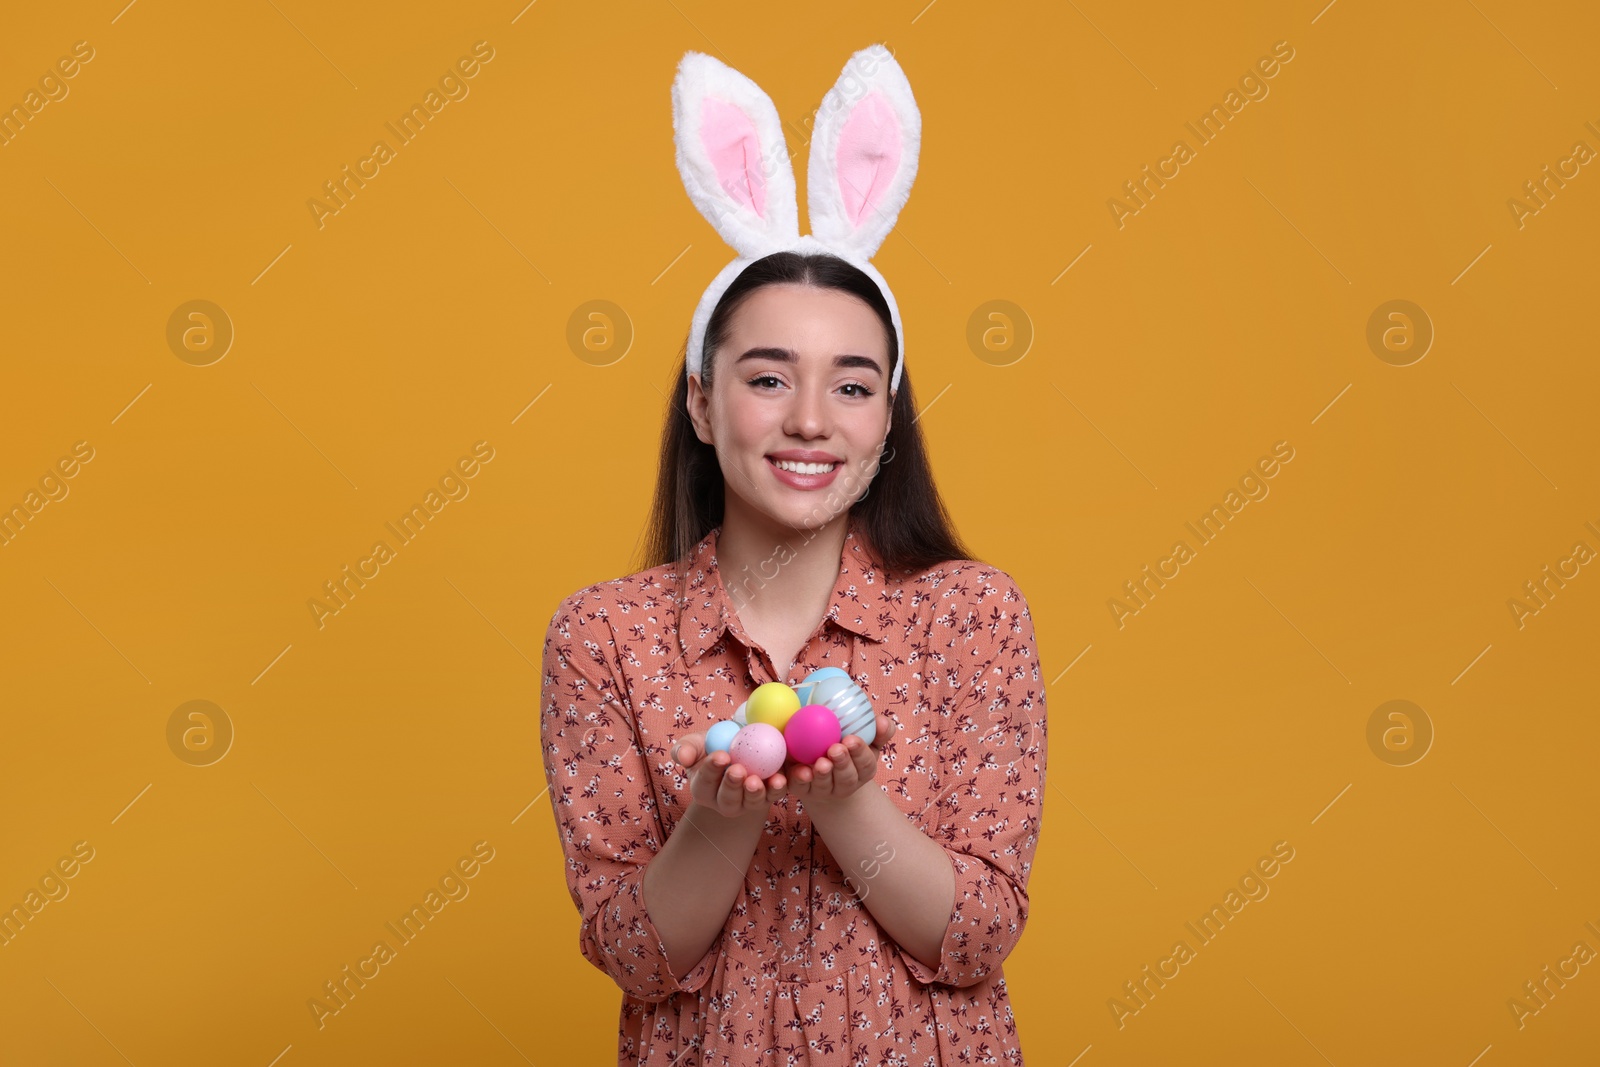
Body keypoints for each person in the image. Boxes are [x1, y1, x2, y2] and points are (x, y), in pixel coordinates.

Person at [539, 46, 1046, 1065]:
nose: (810, 420)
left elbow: (977, 934)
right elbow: (636, 955)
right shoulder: (604, 636)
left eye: (853, 387)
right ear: (700, 398)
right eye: (768, 379)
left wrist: (843, 796)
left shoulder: (972, 615)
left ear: (888, 421)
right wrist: (720, 820)